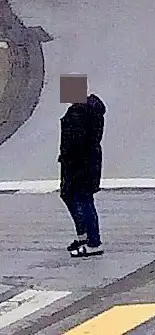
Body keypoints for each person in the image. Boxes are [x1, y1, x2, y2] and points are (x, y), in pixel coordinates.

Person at [58, 82, 103, 255]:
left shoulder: (78, 113)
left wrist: (67, 159)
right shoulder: (91, 110)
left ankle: (92, 241)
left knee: (81, 198)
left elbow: (75, 141)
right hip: (88, 161)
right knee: (78, 197)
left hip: (78, 164)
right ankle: (86, 236)